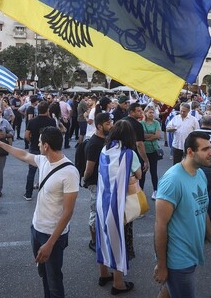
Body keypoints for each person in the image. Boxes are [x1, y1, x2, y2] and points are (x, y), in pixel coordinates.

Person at [0, 126, 79, 298]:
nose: (36, 144)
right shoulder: (43, 160)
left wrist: (50, 243)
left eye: (39, 142)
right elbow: (23, 155)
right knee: (44, 275)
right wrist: (0, 144)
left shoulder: (69, 172)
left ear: (46, 145)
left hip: (52, 236)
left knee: (54, 281)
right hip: (36, 229)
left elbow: (68, 212)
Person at [153, 131, 211, 298]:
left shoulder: (200, 173)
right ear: (191, 152)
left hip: (192, 251)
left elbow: (203, 211)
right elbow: (160, 225)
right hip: (178, 259)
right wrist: (162, 264)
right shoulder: (172, 181)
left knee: (169, 291)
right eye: (206, 149)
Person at [95, 120, 142, 295]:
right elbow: (138, 174)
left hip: (102, 201)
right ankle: (118, 283)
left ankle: (104, 274)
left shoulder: (104, 150)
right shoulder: (129, 153)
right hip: (119, 204)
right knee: (118, 241)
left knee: (102, 237)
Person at [82, 113, 113, 252]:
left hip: (104, 182)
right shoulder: (94, 144)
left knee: (102, 211)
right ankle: (93, 241)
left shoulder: (105, 140)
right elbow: (89, 168)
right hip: (95, 183)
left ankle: (100, 237)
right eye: (107, 124)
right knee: (94, 212)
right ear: (99, 126)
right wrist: (85, 179)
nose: (111, 125)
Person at [24, 102, 56, 201]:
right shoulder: (52, 121)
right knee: (46, 170)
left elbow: (26, 135)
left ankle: (28, 193)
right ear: (47, 110)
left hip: (34, 147)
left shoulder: (32, 121)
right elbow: (55, 133)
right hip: (47, 148)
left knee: (31, 171)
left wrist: (32, 141)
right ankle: (45, 192)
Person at [141, 106, 162, 199]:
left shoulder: (156, 123)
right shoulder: (141, 123)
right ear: (145, 113)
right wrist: (151, 136)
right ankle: (141, 191)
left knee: (153, 171)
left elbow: (157, 136)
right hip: (144, 150)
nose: (152, 114)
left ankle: (155, 190)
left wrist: (147, 136)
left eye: (153, 112)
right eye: (150, 112)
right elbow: (141, 136)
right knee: (143, 171)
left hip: (153, 150)